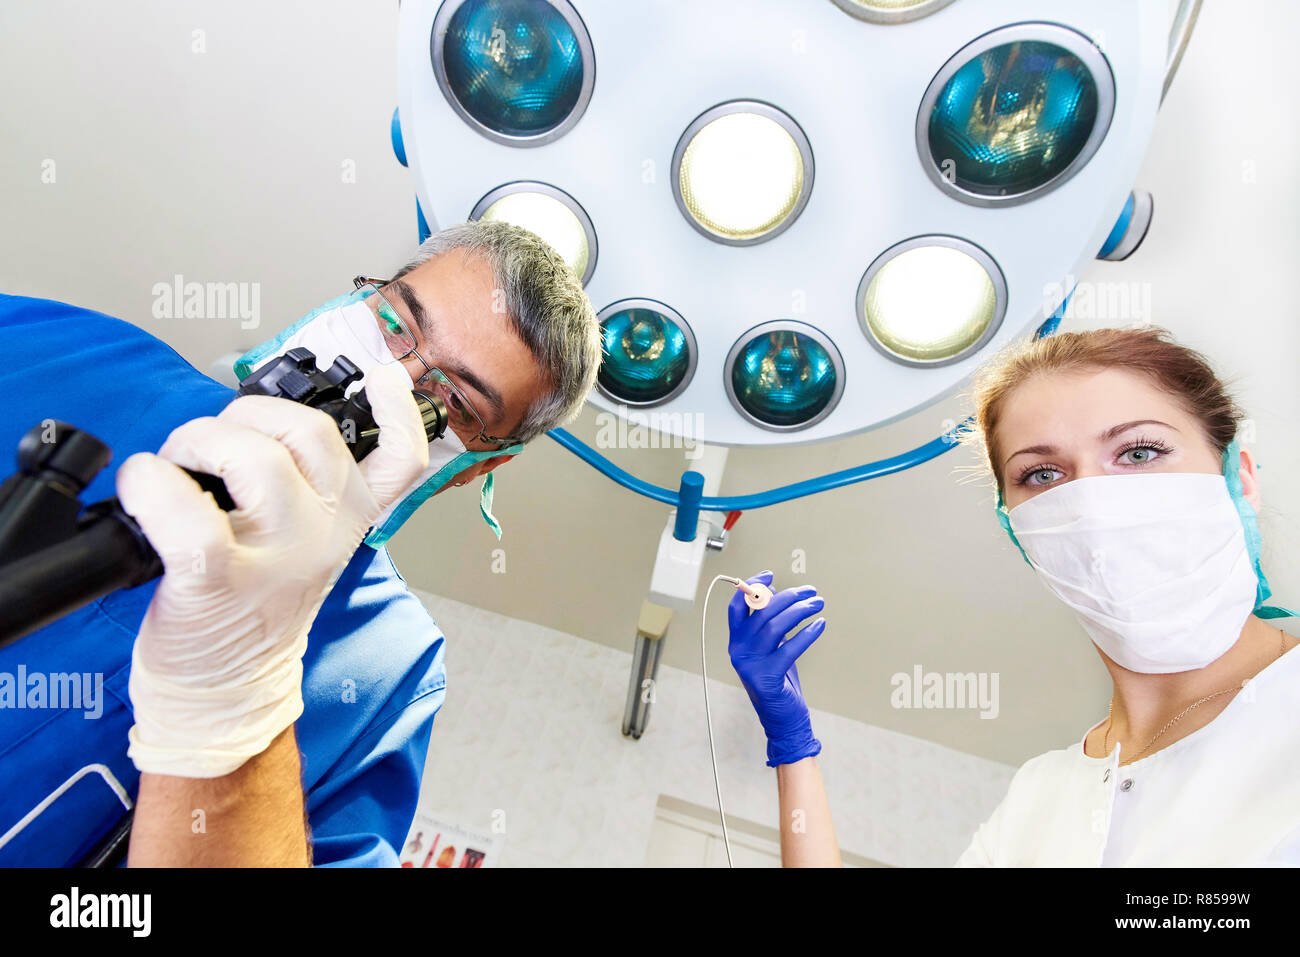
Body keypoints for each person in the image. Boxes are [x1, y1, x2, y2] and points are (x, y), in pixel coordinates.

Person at [0, 219, 601, 866]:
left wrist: (238, 708)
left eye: (449, 400)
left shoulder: (390, 669)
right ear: (357, 298)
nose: (386, 379)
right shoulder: (67, 347)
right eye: (395, 321)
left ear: (480, 465)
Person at [728, 326, 1298, 867]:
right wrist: (792, 746)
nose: (1093, 508)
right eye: (1044, 476)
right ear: (1019, 532)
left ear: (1236, 477)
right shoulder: (1041, 796)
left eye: (1139, 452)